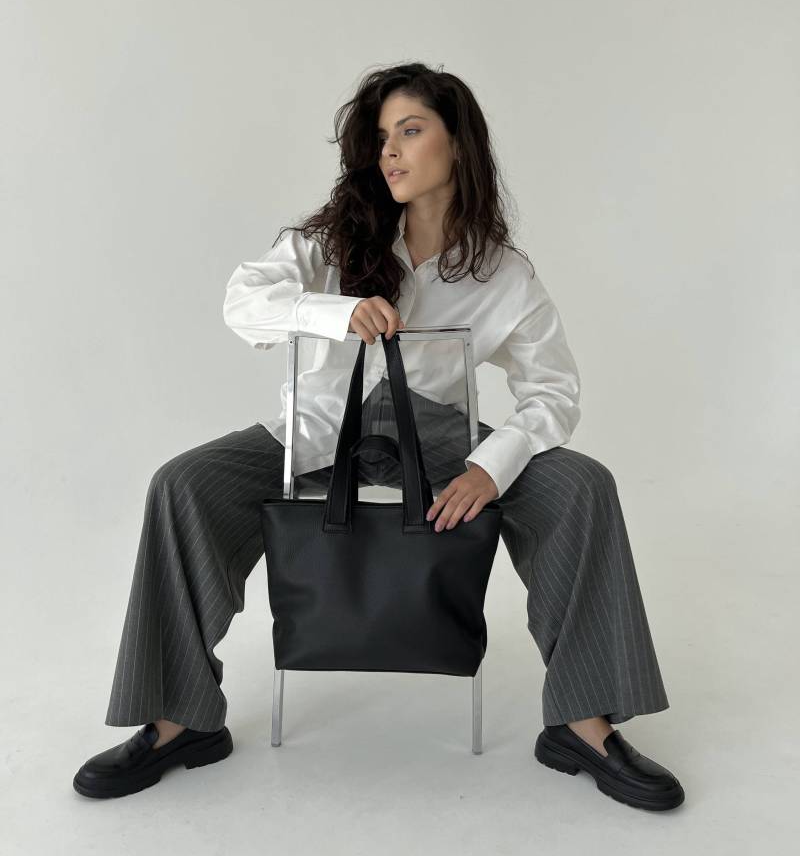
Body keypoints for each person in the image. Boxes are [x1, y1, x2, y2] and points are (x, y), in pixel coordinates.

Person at [73, 62, 684, 811]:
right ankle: (179, 721)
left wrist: (490, 467)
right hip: (320, 432)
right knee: (184, 484)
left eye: (410, 130)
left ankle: (584, 726)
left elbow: (553, 391)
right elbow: (243, 302)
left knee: (581, 485)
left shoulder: (504, 275)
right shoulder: (330, 242)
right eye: (382, 136)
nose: (390, 150)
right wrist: (335, 312)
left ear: (457, 143)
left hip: (439, 436)